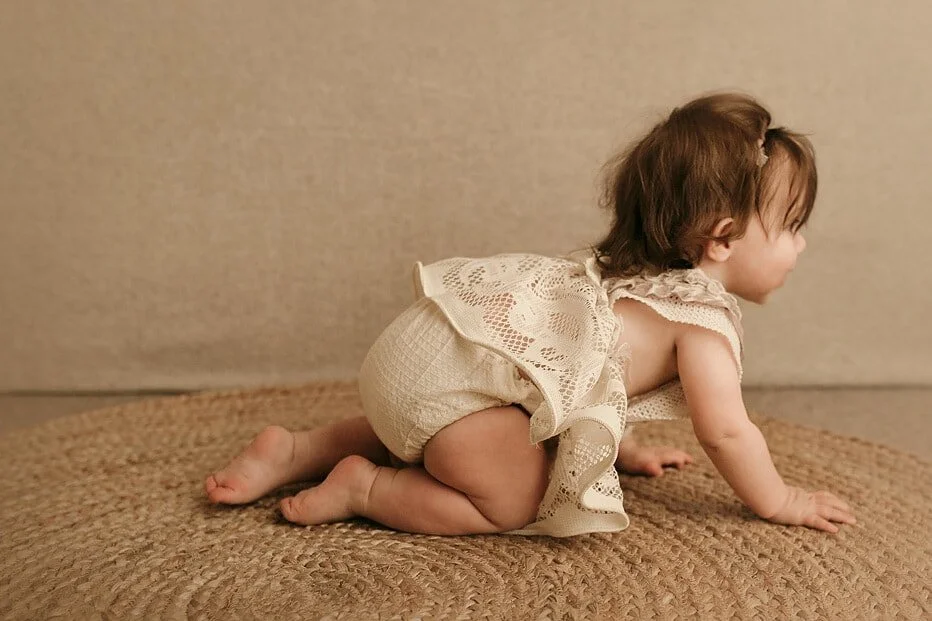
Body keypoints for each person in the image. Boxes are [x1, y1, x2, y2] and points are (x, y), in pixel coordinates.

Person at [204, 92, 857, 538]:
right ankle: (366, 488)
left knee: (461, 424)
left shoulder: (630, 275)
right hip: (450, 394)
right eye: (792, 226)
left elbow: (591, 377)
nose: (801, 243)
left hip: (421, 357)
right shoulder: (700, 325)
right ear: (721, 239)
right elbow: (729, 434)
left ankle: (298, 448)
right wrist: (780, 500)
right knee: (515, 496)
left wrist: (620, 449)